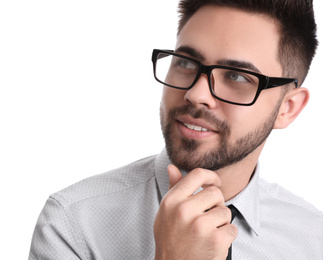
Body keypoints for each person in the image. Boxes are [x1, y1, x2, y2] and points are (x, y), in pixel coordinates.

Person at [29, 0, 323, 259]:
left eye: (237, 76)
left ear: (288, 108)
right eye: (185, 62)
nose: (196, 94)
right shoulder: (73, 222)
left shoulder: (313, 239)